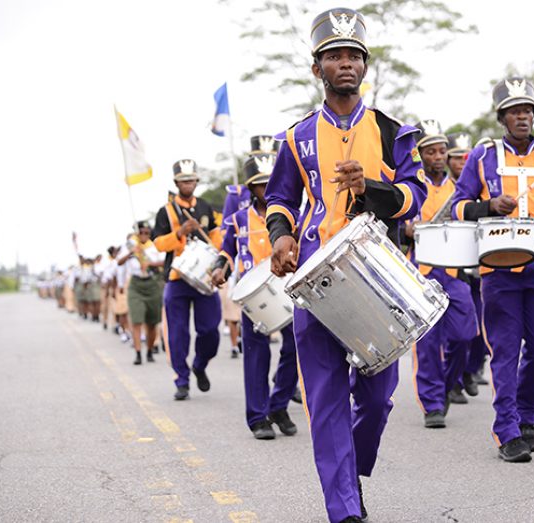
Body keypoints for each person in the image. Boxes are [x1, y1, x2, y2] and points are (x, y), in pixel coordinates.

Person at [264, 8, 427, 522]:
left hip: (378, 279)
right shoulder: (295, 136)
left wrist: (370, 189)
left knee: (378, 398)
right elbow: (280, 199)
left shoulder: (392, 131)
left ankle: (349, 470)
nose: (346, 64)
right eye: (335, 56)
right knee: (327, 399)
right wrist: (282, 236)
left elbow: (414, 196)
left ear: (365, 65)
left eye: (354, 56)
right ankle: (344, 509)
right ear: (317, 69)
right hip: (316, 280)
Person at [452, 77, 534, 463]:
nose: (522, 117)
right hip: (497, 267)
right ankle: (507, 429)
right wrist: (488, 207)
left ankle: (527, 417)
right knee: (504, 350)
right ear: (502, 117)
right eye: (515, 111)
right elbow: (458, 206)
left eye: (528, 110)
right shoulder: (482, 155)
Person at [212, 155, 299, 440]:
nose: (267, 188)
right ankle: (258, 417)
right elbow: (227, 252)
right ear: (251, 187)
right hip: (255, 295)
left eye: (270, 182)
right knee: (256, 354)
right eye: (261, 184)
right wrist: (219, 268)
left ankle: (279, 405)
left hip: (288, 288)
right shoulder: (238, 220)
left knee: (296, 349)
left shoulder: (291, 215)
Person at [403, 120, 478, 427]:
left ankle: (447, 386)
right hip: (420, 272)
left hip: (453, 272)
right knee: (428, 342)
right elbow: (394, 222)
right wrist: (406, 228)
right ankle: (432, 403)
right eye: (430, 151)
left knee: (465, 335)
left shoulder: (459, 189)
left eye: (441, 151)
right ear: (420, 155)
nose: (437, 156)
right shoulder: (412, 185)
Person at [153, 159, 223, 401]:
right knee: (177, 333)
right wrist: (180, 233)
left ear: (196, 181)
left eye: (191, 180)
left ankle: (200, 365)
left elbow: (217, 236)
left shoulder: (206, 207)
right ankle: (181, 380)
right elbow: (158, 243)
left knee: (210, 330)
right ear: (176, 183)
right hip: (177, 278)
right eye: (183, 181)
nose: (187, 184)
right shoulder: (167, 210)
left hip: (203, 278)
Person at [446, 131, 489, 396]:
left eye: (466, 156)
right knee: (462, 327)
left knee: (481, 327)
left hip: (481, 261)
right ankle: (456, 380)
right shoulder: (445, 187)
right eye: (457, 157)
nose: (463, 161)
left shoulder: (480, 182)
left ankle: (472, 369)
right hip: (455, 265)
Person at [119, 221, 165, 365]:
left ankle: (150, 349)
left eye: (147, 233)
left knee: (152, 322)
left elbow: (164, 261)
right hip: (136, 285)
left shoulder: (154, 247)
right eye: (141, 233)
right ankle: (138, 353)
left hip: (152, 284)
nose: (144, 235)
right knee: (137, 320)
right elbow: (119, 262)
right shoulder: (130, 245)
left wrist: (150, 263)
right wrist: (131, 253)